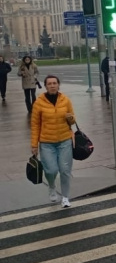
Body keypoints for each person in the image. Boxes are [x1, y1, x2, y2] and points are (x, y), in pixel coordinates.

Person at [30, 75, 76, 208]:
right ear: (45, 86)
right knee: (50, 170)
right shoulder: (39, 102)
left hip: (65, 141)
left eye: (54, 83)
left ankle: (66, 197)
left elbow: (73, 120)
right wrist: (34, 144)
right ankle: (51, 186)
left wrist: (70, 118)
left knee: (65, 170)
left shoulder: (65, 100)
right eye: (49, 83)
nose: (52, 85)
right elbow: (35, 125)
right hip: (46, 143)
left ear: (58, 85)